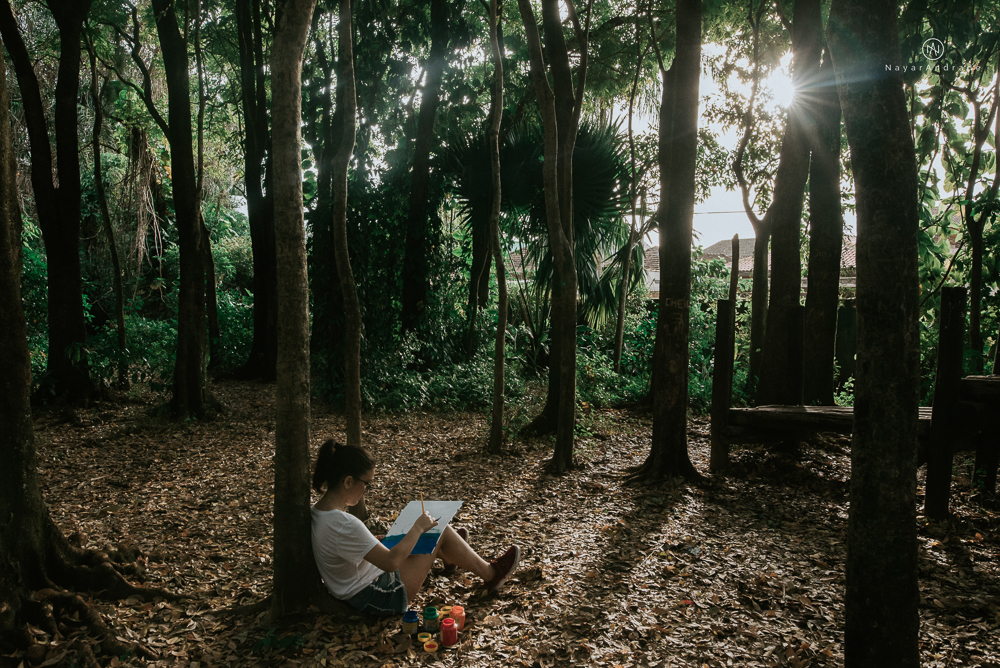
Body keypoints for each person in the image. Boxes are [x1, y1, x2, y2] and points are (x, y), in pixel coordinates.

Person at [310, 440, 521, 616]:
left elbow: (343, 546)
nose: (367, 490)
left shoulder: (320, 512)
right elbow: (391, 562)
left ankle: (450, 556)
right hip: (379, 595)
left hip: (364, 586)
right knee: (440, 530)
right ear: (348, 481)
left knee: (424, 532)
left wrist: (372, 541)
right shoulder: (345, 524)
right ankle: (490, 573)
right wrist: (418, 529)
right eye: (367, 484)